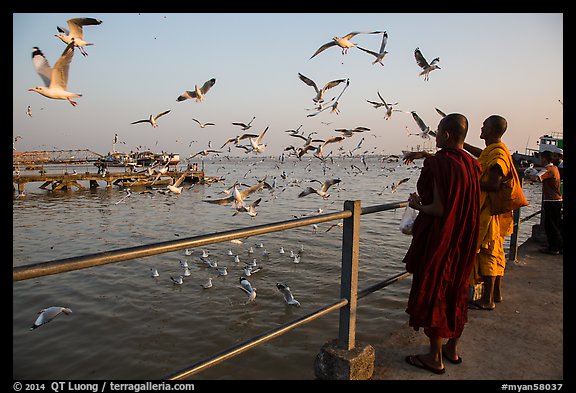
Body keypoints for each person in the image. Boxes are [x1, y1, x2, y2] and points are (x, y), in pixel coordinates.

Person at [402, 113, 481, 374]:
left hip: (442, 238)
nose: (434, 135)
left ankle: (434, 357)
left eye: (437, 131)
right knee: (456, 288)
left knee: (436, 288)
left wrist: (416, 205)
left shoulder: (440, 164)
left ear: (446, 135)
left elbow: (438, 208)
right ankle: (452, 349)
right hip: (464, 237)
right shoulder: (472, 164)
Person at [463, 115, 521, 311]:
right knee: (496, 252)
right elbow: (482, 156)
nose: (481, 128)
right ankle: (496, 292)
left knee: (488, 253)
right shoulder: (495, 150)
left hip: (490, 212)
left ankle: (487, 299)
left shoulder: (499, 154)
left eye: (484, 126)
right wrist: (462, 145)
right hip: (494, 212)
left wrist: (469, 182)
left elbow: (494, 184)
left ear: (493, 131)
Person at [529, 150, 563, 254]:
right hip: (557, 200)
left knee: (550, 225)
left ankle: (553, 248)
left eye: (540, 158)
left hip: (551, 200)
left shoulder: (547, 169)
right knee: (555, 224)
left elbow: (536, 178)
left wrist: (529, 173)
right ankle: (558, 246)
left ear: (544, 159)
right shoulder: (555, 168)